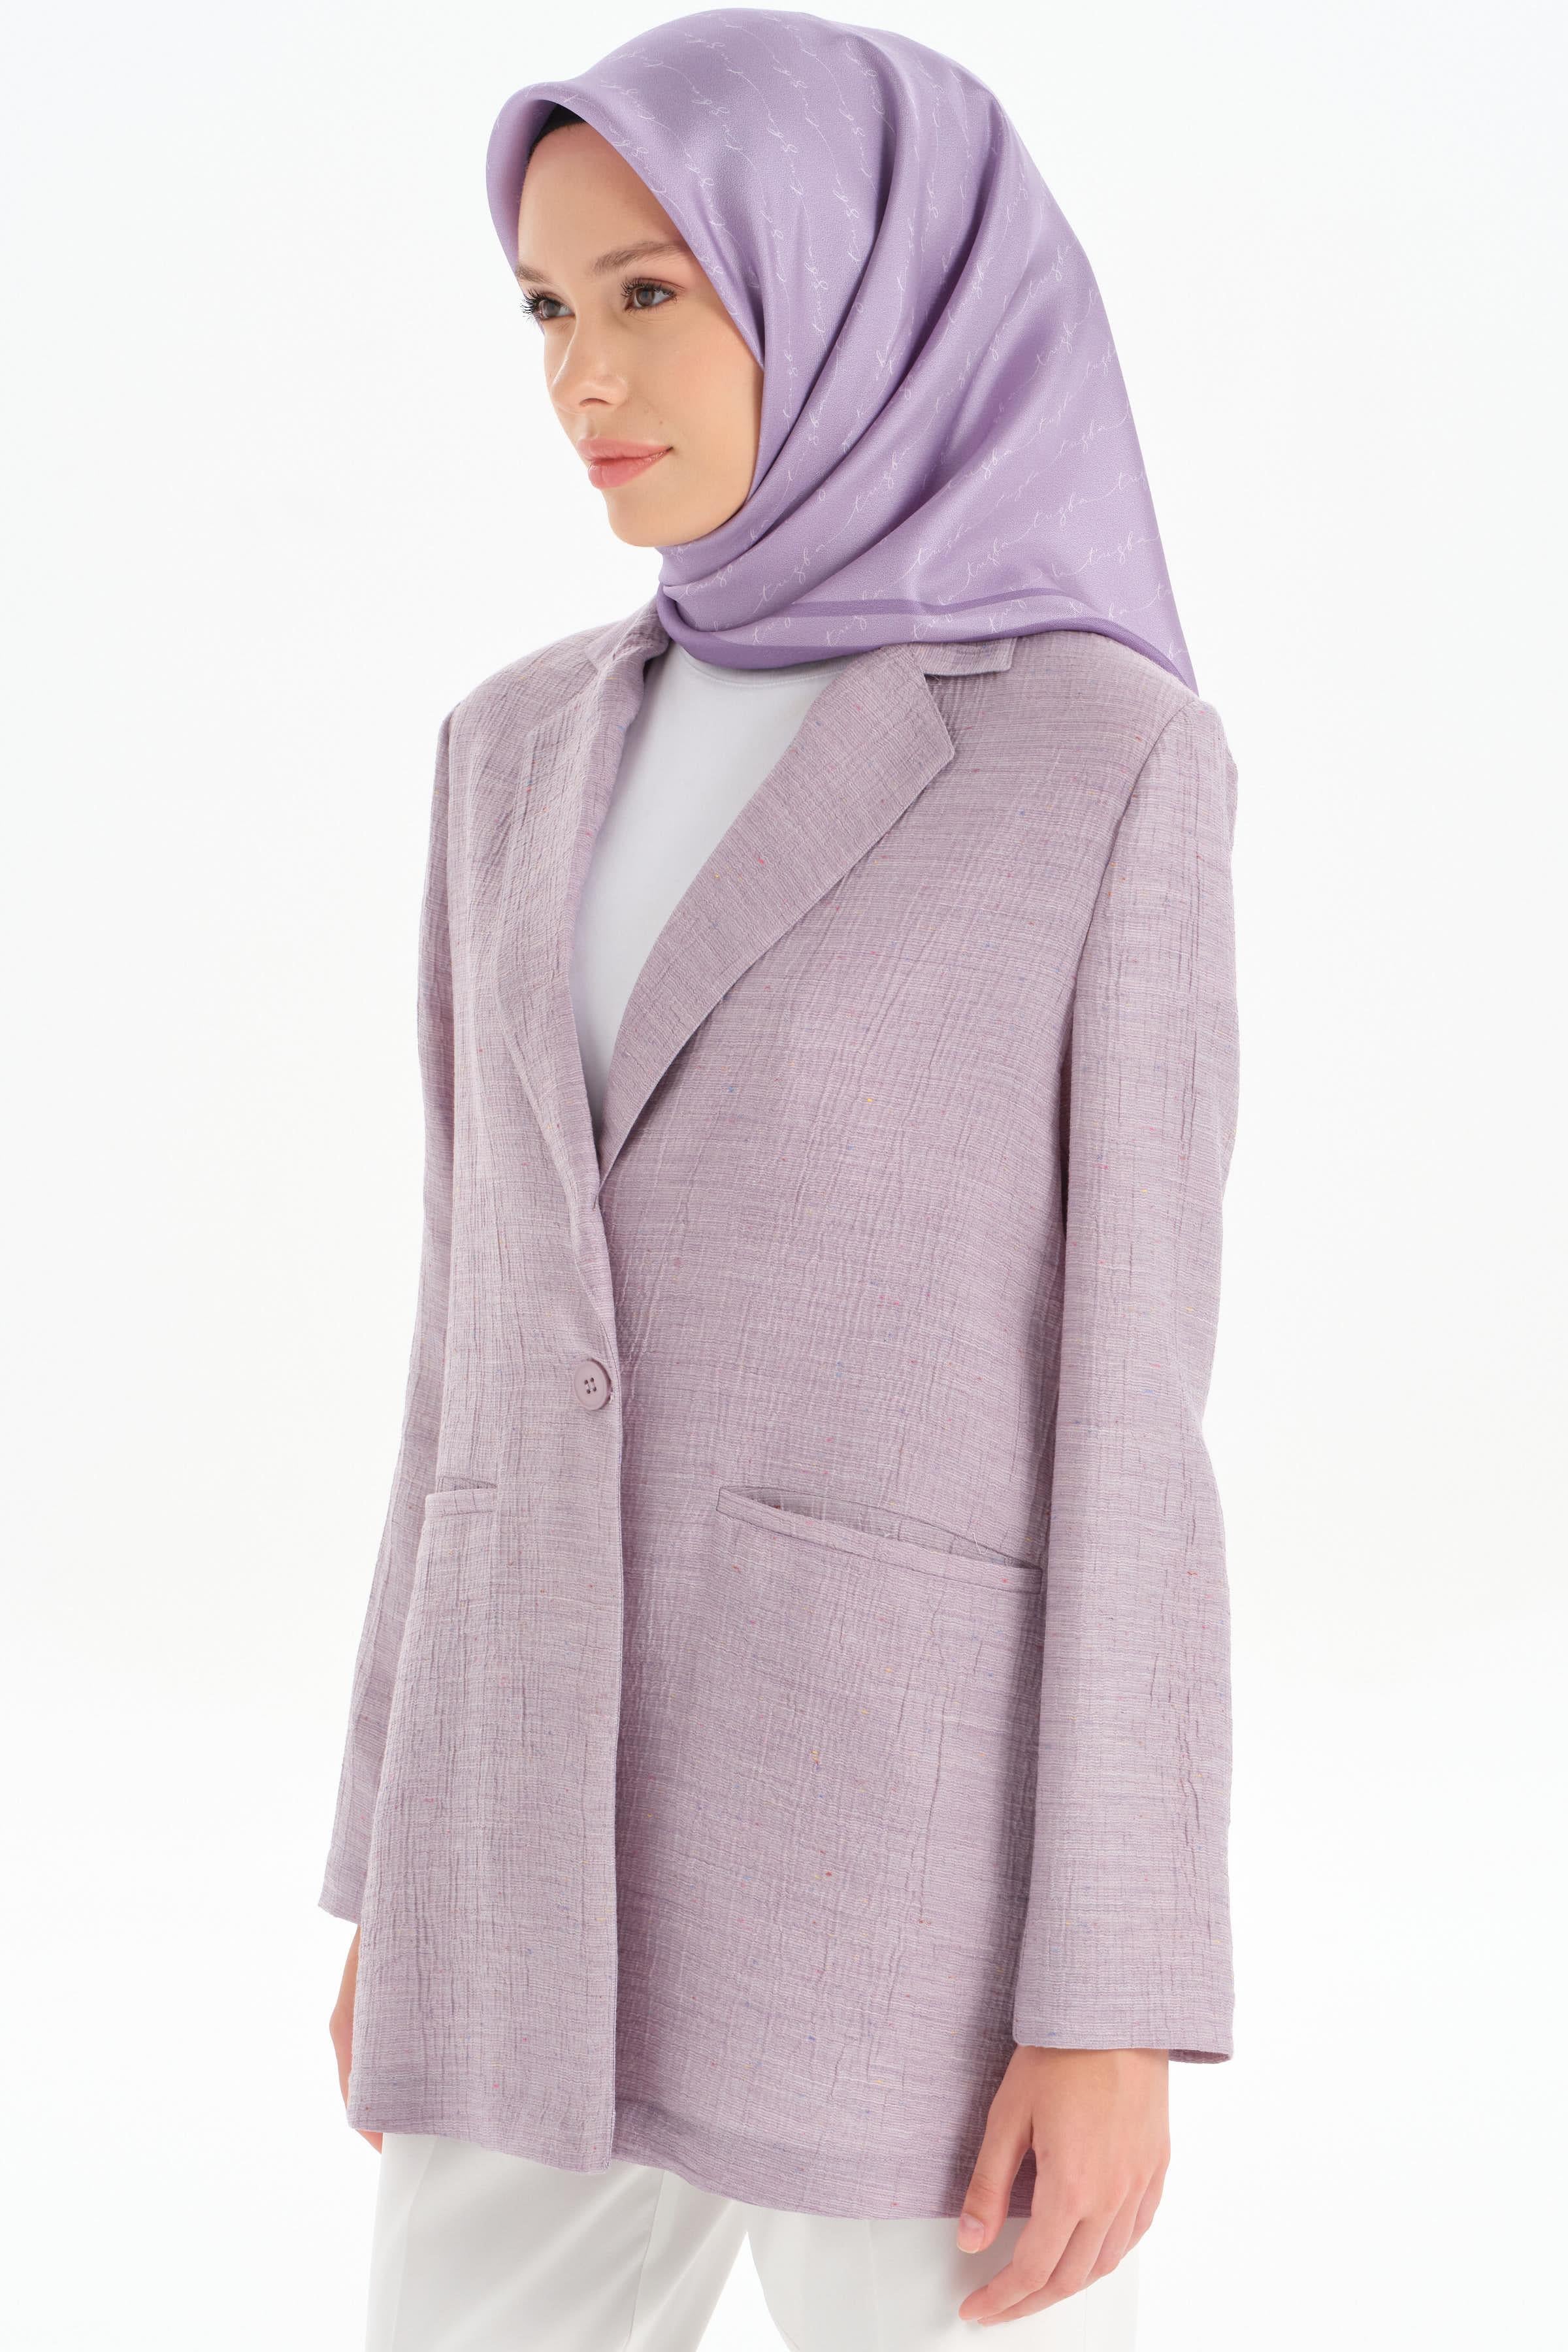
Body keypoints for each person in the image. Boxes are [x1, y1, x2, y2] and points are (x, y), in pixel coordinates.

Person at [321, 12, 1240, 2347]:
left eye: (652, 292)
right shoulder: (507, 749)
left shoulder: (1099, 756)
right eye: (548, 305)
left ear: (853, 283)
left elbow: (1137, 1414)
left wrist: (1116, 1994)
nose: (582, 375)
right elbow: (465, 1352)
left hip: (900, 1896)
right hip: (518, 1865)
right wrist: (392, 1870)